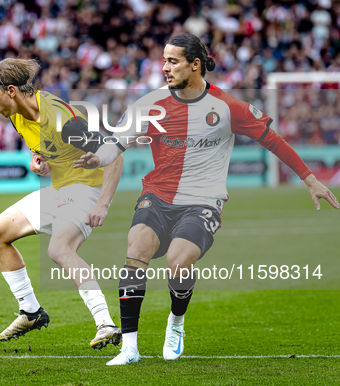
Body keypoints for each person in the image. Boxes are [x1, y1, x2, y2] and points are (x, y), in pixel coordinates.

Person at [74, 33, 339, 364]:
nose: (164, 68)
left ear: (194, 64)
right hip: (157, 196)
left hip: (202, 201)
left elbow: (272, 139)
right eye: (164, 61)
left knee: (178, 262)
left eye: (173, 61)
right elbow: (116, 145)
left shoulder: (228, 106)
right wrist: (96, 158)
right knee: (135, 252)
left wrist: (309, 178)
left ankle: (177, 322)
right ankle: (130, 348)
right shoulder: (150, 104)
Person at [0, 58, 124, 349]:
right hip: (60, 189)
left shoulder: (62, 120)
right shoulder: (16, 115)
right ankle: (31, 312)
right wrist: (38, 162)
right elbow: (44, 150)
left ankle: (105, 323)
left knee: (59, 249)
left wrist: (103, 205)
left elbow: (115, 156)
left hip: (87, 189)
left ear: (10, 91)